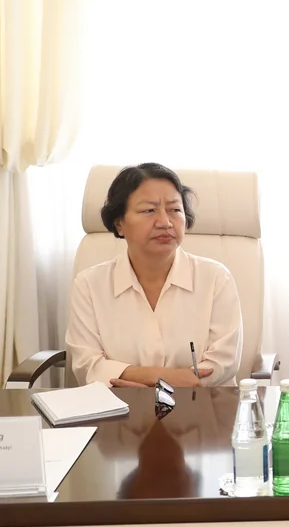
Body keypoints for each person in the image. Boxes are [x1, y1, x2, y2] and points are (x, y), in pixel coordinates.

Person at [66, 163, 244, 388]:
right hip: (120, 405)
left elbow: (222, 363)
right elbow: (87, 365)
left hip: (200, 405)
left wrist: (138, 380)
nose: (165, 222)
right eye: (149, 210)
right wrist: (166, 379)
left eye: (175, 210)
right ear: (119, 224)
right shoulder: (89, 285)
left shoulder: (216, 279)